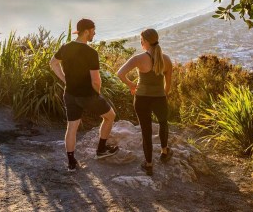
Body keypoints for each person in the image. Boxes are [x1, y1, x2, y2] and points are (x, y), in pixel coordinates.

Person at [50, 18, 119, 172]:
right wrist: (97, 95)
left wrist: (65, 79)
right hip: (87, 95)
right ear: (87, 31)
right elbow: (96, 80)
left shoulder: (66, 47)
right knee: (110, 116)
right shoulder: (91, 52)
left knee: (72, 127)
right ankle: (101, 150)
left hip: (70, 94)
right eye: (93, 30)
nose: (94, 33)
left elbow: (53, 63)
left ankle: (71, 162)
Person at [117, 28, 173, 176]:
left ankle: (148, 164)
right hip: (159, 98)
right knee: (163, 122)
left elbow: (120, 73)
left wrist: (131, 85)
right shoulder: (166, 59)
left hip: (141, 99)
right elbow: (168, 85)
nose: (140, 42)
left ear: (146, 42)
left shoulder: (138, 59)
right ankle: (164, 151)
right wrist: (163, 95)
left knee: (146, 131)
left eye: (141, 40)